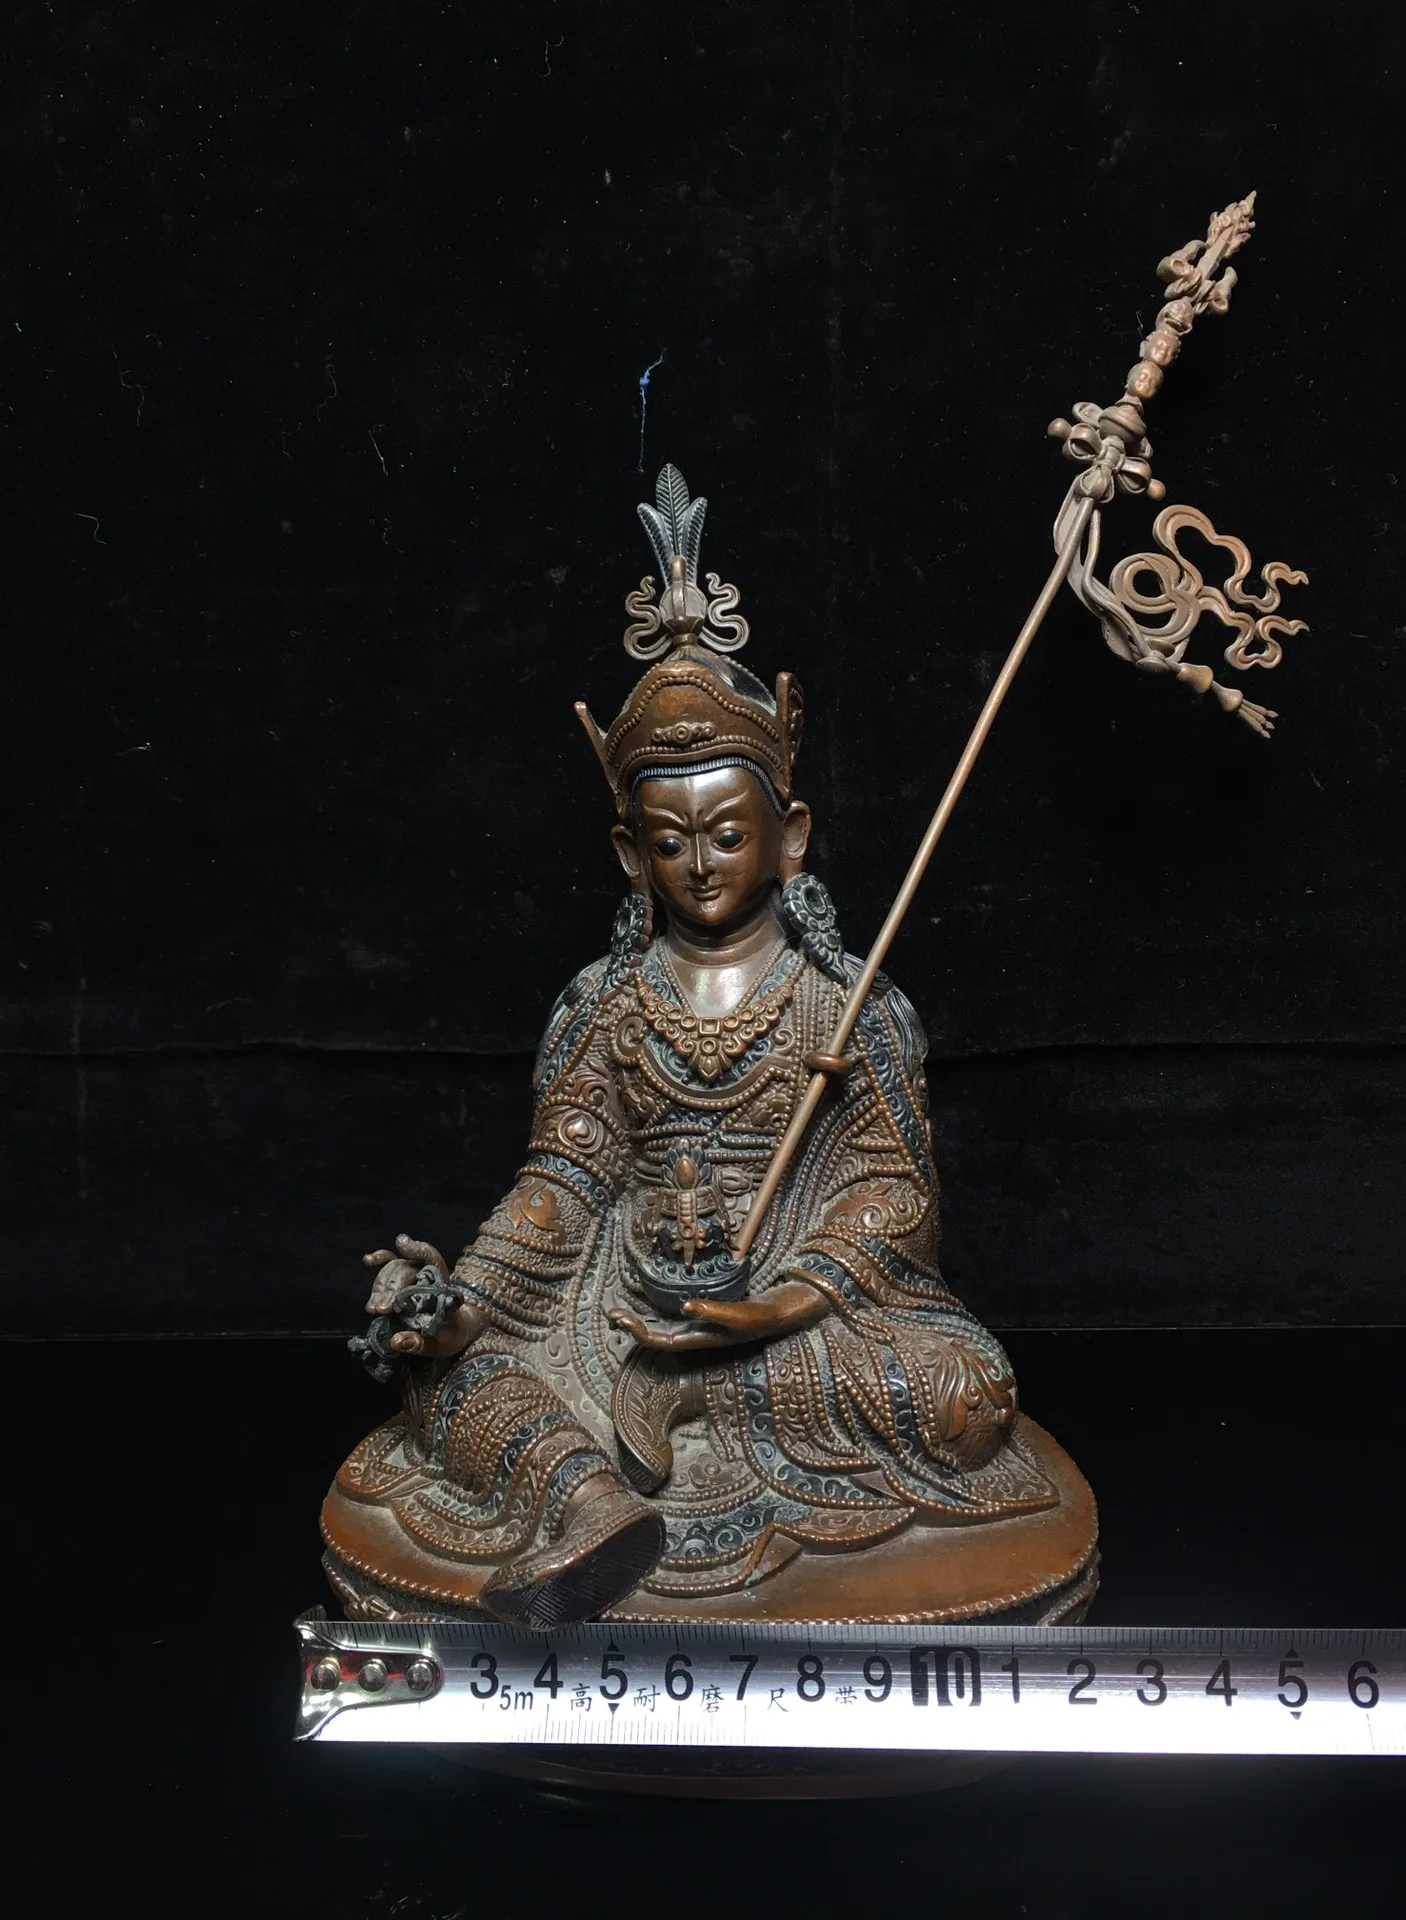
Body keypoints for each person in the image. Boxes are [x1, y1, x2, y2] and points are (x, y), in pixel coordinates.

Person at [322, 468, 1093, 1628]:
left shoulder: (849, 1006)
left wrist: (781, 1306)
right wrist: (465, 1296)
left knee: (964, 1391)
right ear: (630, 854)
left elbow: (892, 1189)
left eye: (729, 834)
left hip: (796, 1316)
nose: (701, 864)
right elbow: (563, 1180)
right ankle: (592, 1502)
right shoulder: (606, 1004)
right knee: (447, 1367)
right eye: (670, 840)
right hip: (616, 1299)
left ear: (791, 836)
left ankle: (652, 1421)